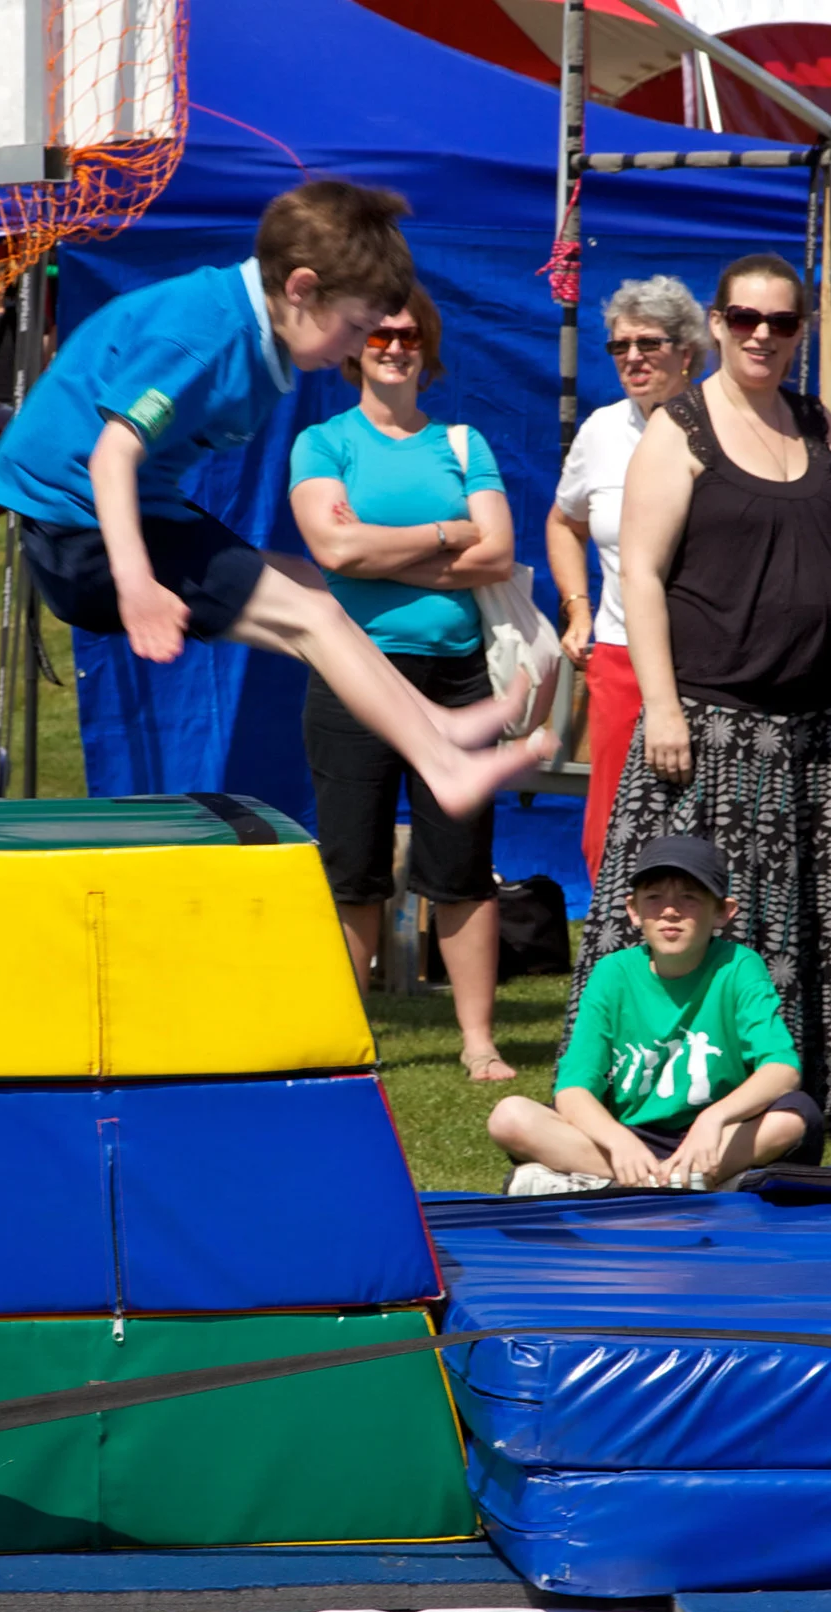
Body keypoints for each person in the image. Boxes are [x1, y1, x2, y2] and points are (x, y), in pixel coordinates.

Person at [0, 180, 545, 818]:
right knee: (313, 616)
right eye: (356, 328)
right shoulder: (207, 334)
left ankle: (433, 723)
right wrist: (136, 586)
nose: (354, 349)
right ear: (301, 288)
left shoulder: (257, 333)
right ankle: (444, 768)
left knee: (310, 587)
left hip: (125, 513)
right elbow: (112, 455)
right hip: (80, 532)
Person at [570, 253, 831, 1125]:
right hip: (716, 723)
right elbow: (641, 574)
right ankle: (668, 1095)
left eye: (781, 322)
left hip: (826, 725)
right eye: (746, 319)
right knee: (702, 912)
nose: (762, 335)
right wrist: (663, 707)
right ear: (716, 325)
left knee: (821, 916)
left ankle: (826, 1091)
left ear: (800, 333)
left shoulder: (818, 423)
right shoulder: (678, 429)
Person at [287, 280, 523, 1079]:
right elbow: (334, 550)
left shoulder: (463, 442)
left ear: (428, 350)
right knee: (352, 868)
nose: (393, 348)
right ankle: (347, 1043)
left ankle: (479, 1041)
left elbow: (498, 552)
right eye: (379, 336)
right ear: (354, 348)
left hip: (458, 677)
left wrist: (381, 550)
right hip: (354, 675)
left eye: (409, 336)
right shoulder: (323, 443)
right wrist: (449, 533)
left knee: (461, 868)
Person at [491, 836, 821, 1194]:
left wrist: (713, 1119)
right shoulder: (613, 972)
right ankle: (690, 1183)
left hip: (717, 1138)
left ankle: (610, 1185)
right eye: (654, 897)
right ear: (633, 910)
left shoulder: (739, 965)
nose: (670, 911)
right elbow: (573, 1089)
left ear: (723, 912)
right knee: (510, 1117)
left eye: (689, 897)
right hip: (630, 1138)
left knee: (793, 1118)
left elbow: (782, 1069)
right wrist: (617, 1140)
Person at [548, 275, 710, 876]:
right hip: (621, 659)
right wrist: (578, 607)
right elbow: (564, 522)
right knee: (615, 827)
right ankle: (615, 936)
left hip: (712, 662)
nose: (633, 357)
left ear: (686, 351)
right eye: (620, 346)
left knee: (708, 824)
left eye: (649, 343)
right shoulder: (601, 431)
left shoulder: (723, 426)